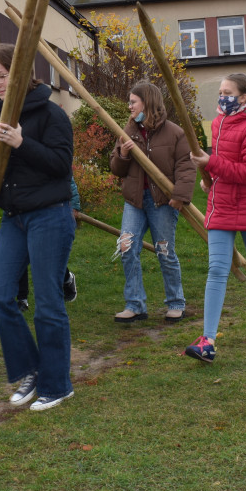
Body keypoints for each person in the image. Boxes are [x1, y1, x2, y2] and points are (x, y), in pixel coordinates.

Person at [0, 45, 76, 412]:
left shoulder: (53, 114)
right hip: (14, 218)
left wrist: (22, 141)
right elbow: (5, 166)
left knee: (48, 303)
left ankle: (58, 384)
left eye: (2, 75)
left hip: (50, 215)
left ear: (21, 73)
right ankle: (31, 370)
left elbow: (60, 166)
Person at [184, 73, 246, 363]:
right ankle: (208, 340)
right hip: (223, 205)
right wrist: (210, 177)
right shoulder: (218, 123)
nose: (221, 97)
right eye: (220, 91)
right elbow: (224, 163)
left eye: (227, 92)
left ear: (243, 98)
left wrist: (212, 164)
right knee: (216, 268)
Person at [109, 82, 193, 323]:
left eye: (133, 102)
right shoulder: (129, 130)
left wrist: (180, 196)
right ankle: (135, 305)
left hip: (162, 202)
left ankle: (176, 303)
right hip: (135, 201)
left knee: (164, 250)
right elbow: (116, 168)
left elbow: (186, 168)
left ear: (147, 102)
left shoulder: (174, 133)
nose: (129, 107)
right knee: (127, 247)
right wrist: (123, 155)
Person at [16, 176, 79, 311]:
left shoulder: (47, 157)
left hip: (47, 212)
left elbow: (67, 177)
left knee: (45, 257)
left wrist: (74, 206)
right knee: (20, 253)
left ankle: (67, 278)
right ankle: (22, 299)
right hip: (21, 210)